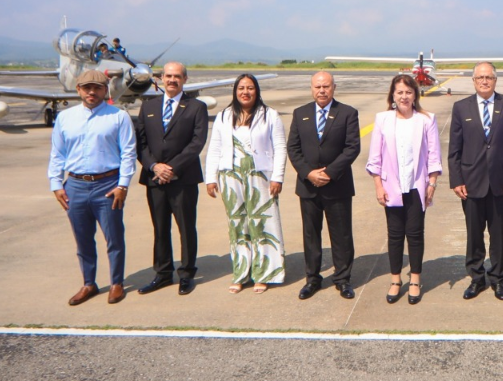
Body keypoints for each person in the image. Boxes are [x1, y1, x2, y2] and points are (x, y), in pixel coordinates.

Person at [47, 69, 137, 306]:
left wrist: (123, 185)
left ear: (105, 90)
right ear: (78, 90)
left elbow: (128, 153)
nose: (91, 92)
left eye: (97, 88)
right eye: (86, 88)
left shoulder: (118, 117)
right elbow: (57, 153)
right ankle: (89, 283)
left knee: (114, 237)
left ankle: (116, 283)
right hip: (75, 185)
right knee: (83, 239)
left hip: (107, 185)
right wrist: (56, 184)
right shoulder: (65, 118)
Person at [205, 73, 287, 293]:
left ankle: (264, 273)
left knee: (263, 223)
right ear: (235, 91)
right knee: (237, 224)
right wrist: (211, 178)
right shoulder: (224, 116)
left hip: (261, 175)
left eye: (250, 88)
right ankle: (241, 272)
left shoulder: (270, 115)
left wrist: (277, 177)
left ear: (257, 91)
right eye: (241, 88)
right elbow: (215, 148)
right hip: (230, 176)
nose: (245, 92)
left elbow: (280, 148)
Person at [448, 62, 503, 301]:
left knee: (498, 234)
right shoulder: (461, 107)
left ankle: (498, 279)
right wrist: (456, 180)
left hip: (501, 183)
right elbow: (454, 149)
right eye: (480, 77)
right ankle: (476, 278)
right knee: (474, 235)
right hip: (471, 183)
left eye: (488, 77)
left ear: (495, 80)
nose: (484, 81)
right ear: (473, 81)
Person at [366, 74, 442, 305]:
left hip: (417, 186)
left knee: (416, 234)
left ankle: (415, 280)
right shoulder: (383, 119)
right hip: (391, 187)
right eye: (399, 92)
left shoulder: (426, 120)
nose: (404, 96)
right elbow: (375, 157)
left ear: (415, 95)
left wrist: (431, 184)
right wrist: (378, 186)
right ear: (392, 95)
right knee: (395, 234)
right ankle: (396, 279)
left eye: (409, 92)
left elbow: (434, 156)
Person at [134, 62, 208, 296]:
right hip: (154, 179)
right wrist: (155, 166)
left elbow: (197, 142)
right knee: (160, 228)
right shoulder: (148, 106)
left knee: (186, 227)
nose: (172, 80)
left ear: (185, 79)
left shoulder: (196, 107)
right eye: (168, 76)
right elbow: (140, 143)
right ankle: (163, 273)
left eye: (177, 76)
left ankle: (186, 274)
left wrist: (172, 168)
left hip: (183, 179)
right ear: (161, 79)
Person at [287, 71, 361, 300]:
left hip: (337, 185)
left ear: (334, 88)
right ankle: (312, 279)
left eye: (326, 86)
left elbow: (352, 147)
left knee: (341, 235)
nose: (322, 90)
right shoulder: (300, 113)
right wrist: (308, 173)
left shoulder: (347, 113)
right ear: (311, 88)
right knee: (311, 235)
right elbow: (293, 148)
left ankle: (343, 279)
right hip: (308, 186)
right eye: (317, 87)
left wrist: (329, 173)